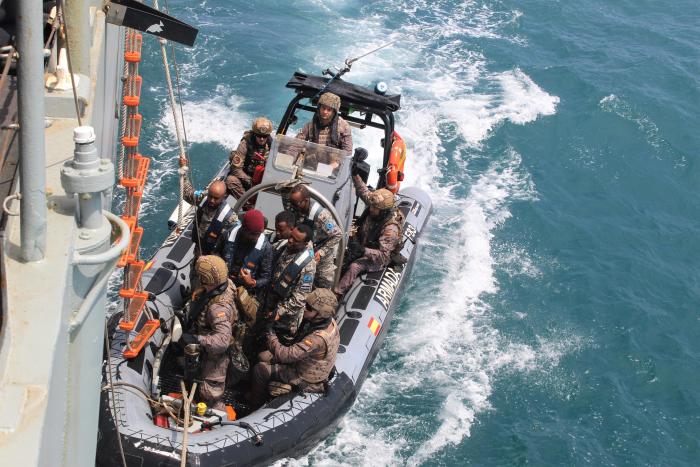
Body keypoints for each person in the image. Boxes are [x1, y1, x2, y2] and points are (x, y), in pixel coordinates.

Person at [249, 288, 340, 407]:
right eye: (306, 304)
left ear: (320, 314)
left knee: (259, 370)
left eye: (309, 308)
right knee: (262, 356)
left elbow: (285, 355)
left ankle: (254, 404)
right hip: (305, 362)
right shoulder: (328, 322)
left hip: (305, 377)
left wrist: (270, 332)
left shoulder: (316, 339)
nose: (304, 308)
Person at [179, 255, 237, 410]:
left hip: (216, 355)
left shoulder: (217, 308)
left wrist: (196, 339)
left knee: (210, 394)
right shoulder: (227, 283)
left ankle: (219, 420)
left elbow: (222, 341)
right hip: (208, 343)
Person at [334, 174, 404, 295]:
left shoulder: (390, 229)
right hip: (363, 242)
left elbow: (383, 256)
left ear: (383, 211)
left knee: (354, 267)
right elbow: (363, 191)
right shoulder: (376, 205)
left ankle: (337, 293)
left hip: (377, 257)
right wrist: (355, 175)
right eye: (371, 206)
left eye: (374, 208)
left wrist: (362, 251)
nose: (371, 209)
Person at [262, 224, 316, 340]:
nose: (290, 241)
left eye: (296, 241)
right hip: (269, 302)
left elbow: (300, 297)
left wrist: (279, 312)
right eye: (291, 236)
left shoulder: (308, 266)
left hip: (285, 319)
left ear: (305, 244)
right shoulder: (283, 245)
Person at [221, 209, 273, 325]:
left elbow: (266, 277)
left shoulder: (266, 248)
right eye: (252, 234)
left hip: (245, 292)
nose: (255, 237)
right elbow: (216, 253)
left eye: (258, 234)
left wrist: (252, 282)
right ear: (243, 229)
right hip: (223, 284)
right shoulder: (229, 234)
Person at [288, 184, 341, 289]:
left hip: (322, 253)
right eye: (292, 203)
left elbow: (337, 234)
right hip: (306, 249)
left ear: (306, 200)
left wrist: (321, 252)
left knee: (323, 286)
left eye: (296, 203)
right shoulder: (298, 208)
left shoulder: (321, 215)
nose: (293, 206)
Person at [183, 178, 238, 257]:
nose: (212, 200)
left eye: (216, 198)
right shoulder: (203, 199)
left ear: (223, 197)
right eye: (210, 196)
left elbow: (235, 238)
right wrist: (183, 174)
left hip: (213, 255)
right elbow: (187, 194)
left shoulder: (230, 217)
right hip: (199, 248)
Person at [225, 117, 274, 198]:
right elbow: (235, 169)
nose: (262, 139)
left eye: (264, 136)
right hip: (246, 176)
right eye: (259, 135)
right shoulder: (245, 144)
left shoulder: (271, 144)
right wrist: (250, 181)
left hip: (261, 177)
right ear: (254, 134)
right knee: (231, 180)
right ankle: (246, 202)